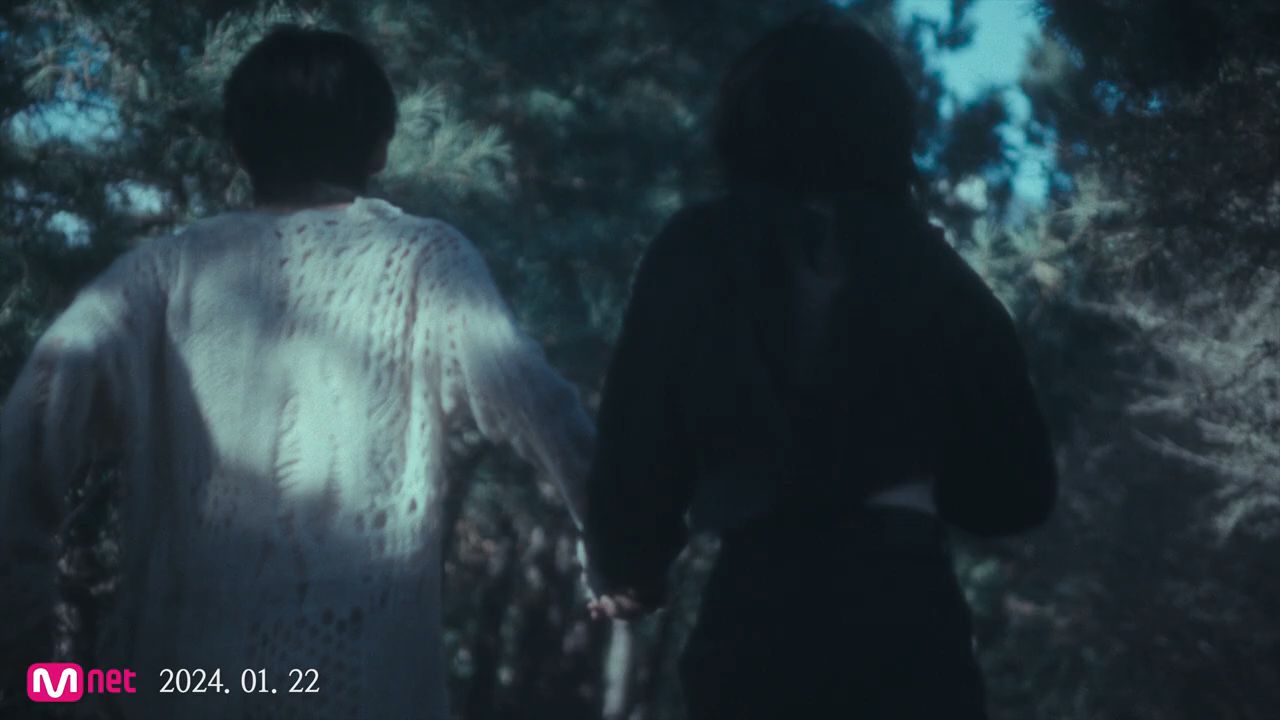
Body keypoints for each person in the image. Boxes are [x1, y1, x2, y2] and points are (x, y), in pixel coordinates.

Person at [0, 27, 594, 720]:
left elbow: (26, 432)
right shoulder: (425, 261)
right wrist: (620, 548)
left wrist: (31, 665)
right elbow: (537, 404)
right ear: (380, 146)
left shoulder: (160, 274)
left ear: (237, 148)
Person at [583, 9, 1057, 719]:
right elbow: (1019, 487)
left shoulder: (697, 249)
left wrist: (630, 566)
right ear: (889, 130)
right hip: (906, 617)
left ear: (745, 122)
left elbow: (637, 439)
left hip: (757, 616)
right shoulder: (938, 274)